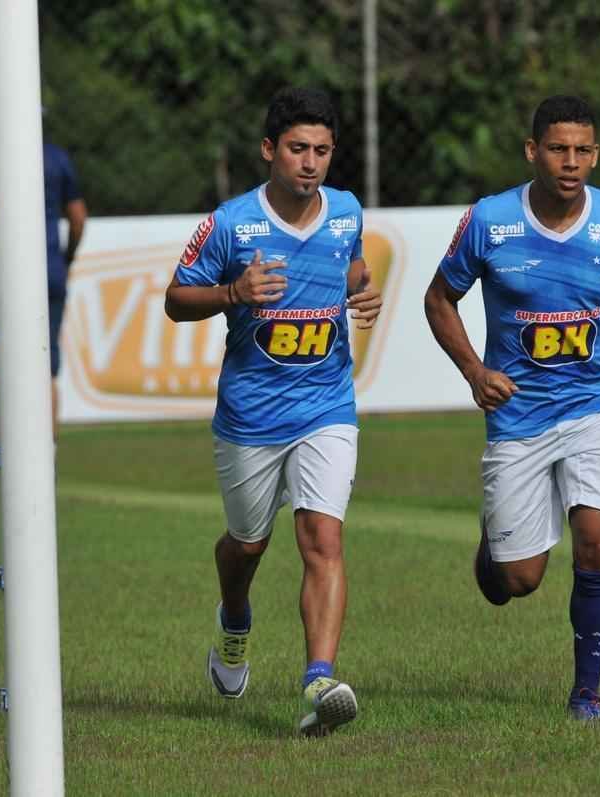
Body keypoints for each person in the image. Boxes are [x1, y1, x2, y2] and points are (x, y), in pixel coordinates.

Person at [423, 95, 600, 721]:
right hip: (518, 418)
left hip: (593, 406)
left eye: (582, 150)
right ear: (532, 150)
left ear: (595, 154)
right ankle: (495, 550)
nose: (570, 162)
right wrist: (473, 371)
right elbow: (439, 299)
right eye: (557, 149)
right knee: (517, 582)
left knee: (597, 542)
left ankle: (586, 693)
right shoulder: (491, 220)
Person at [164, 87, 382, 737]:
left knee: (323, 537)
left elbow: (354, 266)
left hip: (327, 405)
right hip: (251, 417)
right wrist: (232, 291)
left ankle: (320, 679)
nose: (310, 163)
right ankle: (235, 622)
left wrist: (361, 293)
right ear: (269, 150)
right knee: (247, 544)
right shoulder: (231, 223)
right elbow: (176, 299)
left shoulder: (345, 210)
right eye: (296, 149)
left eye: (321, 151)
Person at [0, 139, 87, 481]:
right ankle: (45, 459)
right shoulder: (56, 156)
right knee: (44, 365)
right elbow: (78, 216)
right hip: (47, 275)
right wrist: (65, 259)